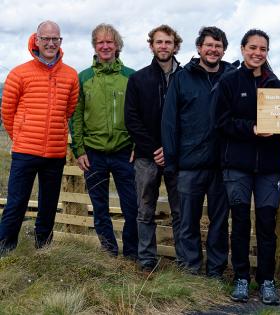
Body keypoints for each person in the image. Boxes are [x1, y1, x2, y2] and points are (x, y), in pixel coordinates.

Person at [214, 29, 280, 305]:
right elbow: (221, 122)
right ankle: (241, 278)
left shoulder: (275, 84)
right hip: (237, 165)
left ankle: (267, 280)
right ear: (243, 49)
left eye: (263, 49)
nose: (257, 53)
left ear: (267, 52)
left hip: (268, 167)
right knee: (241, 222)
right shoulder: (229, 81)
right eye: (252, 47)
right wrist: (252, 128)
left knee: (267, 224)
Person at [162, 26, 234, 278]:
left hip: (222, 164)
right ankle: (190, 271)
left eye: (218, 45)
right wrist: (171, 163)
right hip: (188, 164)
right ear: (199, 48)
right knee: (187, 221)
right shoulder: (182, 79)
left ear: (224, 49)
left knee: (219, 222)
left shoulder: (231, 77)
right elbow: (170, 123)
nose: (213, 50)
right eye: (209, 45)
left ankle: (215, 271)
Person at [0, 21, 79, 253]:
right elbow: (7, 111)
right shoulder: (19, 73)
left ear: (60, 41)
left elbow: (69, 110)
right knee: (16, 203)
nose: (51, 43)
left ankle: (43, 249)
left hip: (54, 152)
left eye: (56, 39)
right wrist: (21, 137)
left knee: (48, 205)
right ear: (37, 39)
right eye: (46, 38)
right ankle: (5, 250)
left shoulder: (70, 75)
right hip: (25, 152)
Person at [70, 23, 138, 260]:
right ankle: (109, 254)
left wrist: (138, 145)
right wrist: (79, 149)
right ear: (95, 46)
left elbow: (141, 114)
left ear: (117, 45)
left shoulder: (131, 77)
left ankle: (131, 256)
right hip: (93, 154)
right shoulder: (84, 78)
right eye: (101, 42)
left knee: (132, 208)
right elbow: (76, 116)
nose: (106, 46)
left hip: (124, 152)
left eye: (110, 42)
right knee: (100, 209)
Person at [124, 24, 182, 272]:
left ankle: (183, 260)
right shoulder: (138, 79)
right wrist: (156, 148)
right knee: (145, 209)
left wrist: (171, 149)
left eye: (168, 42)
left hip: (177, 156)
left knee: (180, 211)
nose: (163, 46)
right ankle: (147, 259)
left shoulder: (186, 76)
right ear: (151, 45)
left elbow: (190, 117)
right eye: (159, 42)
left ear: (175, 45)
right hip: (147, 157)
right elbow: (131, 119)